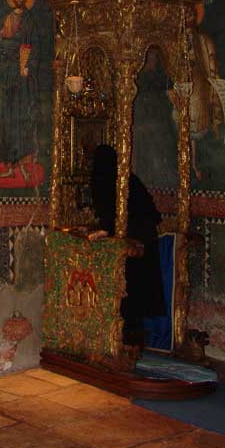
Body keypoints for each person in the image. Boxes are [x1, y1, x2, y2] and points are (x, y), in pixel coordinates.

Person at [90, 144, 165, 343]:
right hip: (144, 236)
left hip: (134, 240)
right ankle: (132, 331)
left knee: (130, 287)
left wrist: (105, 230)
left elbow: (111, 212)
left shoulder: (107, 180)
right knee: (138, 288)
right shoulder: (127, 178)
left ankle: (128, 335)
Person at [0, 0, 39, 181]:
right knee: (7, 117)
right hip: (9, 73)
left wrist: (27, 65)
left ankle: (23, 164)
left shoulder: (30, 20)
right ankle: (9, 164)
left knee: (22, 116)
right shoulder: (8, 17)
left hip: (22, 74)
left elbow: (35, 46)